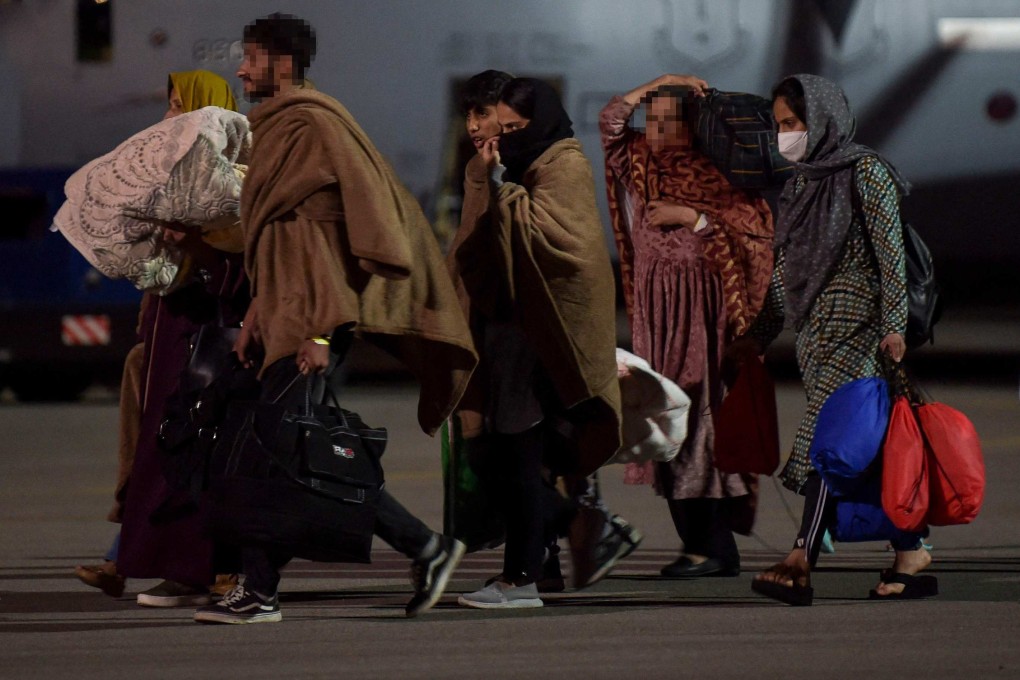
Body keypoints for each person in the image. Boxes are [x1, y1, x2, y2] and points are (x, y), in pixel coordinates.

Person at [193, 13, 477, 624]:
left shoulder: (314, 126)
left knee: (281, 453)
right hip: (288, 316)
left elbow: (331, 241)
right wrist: (258, 312)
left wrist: (322, 331)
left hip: (314, 321)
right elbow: (282, 239)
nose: (240, 69)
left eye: (251, 58)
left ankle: (261, 590)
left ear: (282, 63)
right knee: (297, 453)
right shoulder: (280, 126)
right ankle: (425, 547)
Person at [731, 74, 932, 605]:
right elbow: (786, 268)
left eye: (791, 123)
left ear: (821, 119)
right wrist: (760, 335)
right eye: (779, 125)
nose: (784, 135)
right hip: (817, 335)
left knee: (830, 442)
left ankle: (800, 560)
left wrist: (894, 325)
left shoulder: (866, 171)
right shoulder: (802, 183)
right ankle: (910, 552)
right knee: (865, 447)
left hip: (863, 331)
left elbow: (890, 254)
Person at [448, 70, 642, 595]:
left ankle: (526, 573)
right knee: (508, 453)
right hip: (503, 324)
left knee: (519, 452)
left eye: (496, 120)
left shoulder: (562, 164)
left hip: (538, 330)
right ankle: (549, 556)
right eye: (473, 117)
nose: (480, 128)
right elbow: (472, 245)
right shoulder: (504, 165)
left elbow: (567, 248)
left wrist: (496, 186)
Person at [75, 69, 245, 604]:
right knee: (160, 454)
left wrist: (192, 240)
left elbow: (237, 267)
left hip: (206, 336)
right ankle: (132, 561)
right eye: (170, 104)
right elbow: (158, 271)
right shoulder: (170, 175)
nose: (169, 115)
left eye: (178, 104)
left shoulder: (233, 178)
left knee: (192, 455)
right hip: (170, 334)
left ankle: (203, 570)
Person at [600, 75, 774, 579]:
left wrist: (693, 217)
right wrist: (663, 83)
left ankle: (713, 546)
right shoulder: (639, 161)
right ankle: (699, 544)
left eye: (667, 122)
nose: (654, 132)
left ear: (693, 126)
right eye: (650, 121)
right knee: (662, 412)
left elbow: (755, 233)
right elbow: (610, 122)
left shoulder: (717, 170)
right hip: (656, 312)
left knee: (699, 417)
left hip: (702, 313)